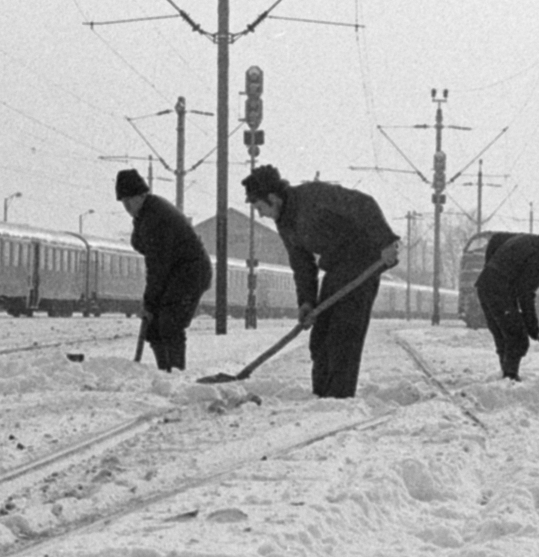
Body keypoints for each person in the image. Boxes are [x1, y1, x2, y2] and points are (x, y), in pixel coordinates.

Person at [241, 164, 400, 398]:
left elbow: (364, 204)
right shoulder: (284, 222)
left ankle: (339, 397)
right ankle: (322, 397)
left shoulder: (314, 196)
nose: (260, 214)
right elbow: (302, 264)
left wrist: (387, 241)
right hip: (337, 268)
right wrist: (306, 301)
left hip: (363, 262)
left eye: (259, 207)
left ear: (273, 198)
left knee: (343, 334)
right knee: (321, 336)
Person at [116, 168, 211, 372]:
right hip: (176, 273)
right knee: (155, 327)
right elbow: (144, 248)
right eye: (123, 203)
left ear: (141, 195)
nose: (126, 207)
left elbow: (157, 266)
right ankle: (165, 371)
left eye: (128, 201)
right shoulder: (146, 213)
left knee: (170, 323)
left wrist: (149, 301)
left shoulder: (155, 217)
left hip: (190, 274)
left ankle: (174, 373)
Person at [474, 225, 539, 379]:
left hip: (485, 287)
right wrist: (531, 324)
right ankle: (510, 376)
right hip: (499, 292)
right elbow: (526, 293)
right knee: (518, 338)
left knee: (503, 335)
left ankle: (506, 376)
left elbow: (496, 239)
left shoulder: (528, 240)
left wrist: (490, 270)